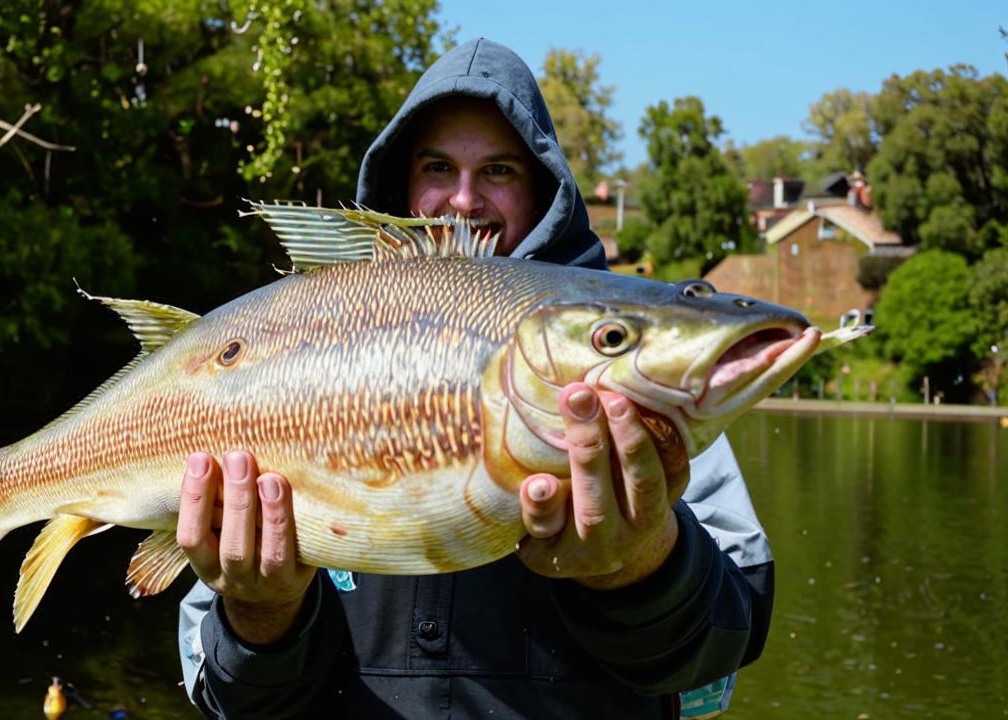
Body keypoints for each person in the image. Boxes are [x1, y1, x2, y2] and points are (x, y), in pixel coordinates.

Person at [176, 38, 774, 718]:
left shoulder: (624, 381)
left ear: (544, 190)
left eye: (498, 170)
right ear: (403, 184)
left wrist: (642, 563)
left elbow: (719, 661)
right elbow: (225, 698)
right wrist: (263, 614)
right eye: (438, 167)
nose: (462, 200)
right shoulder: (294, 356)